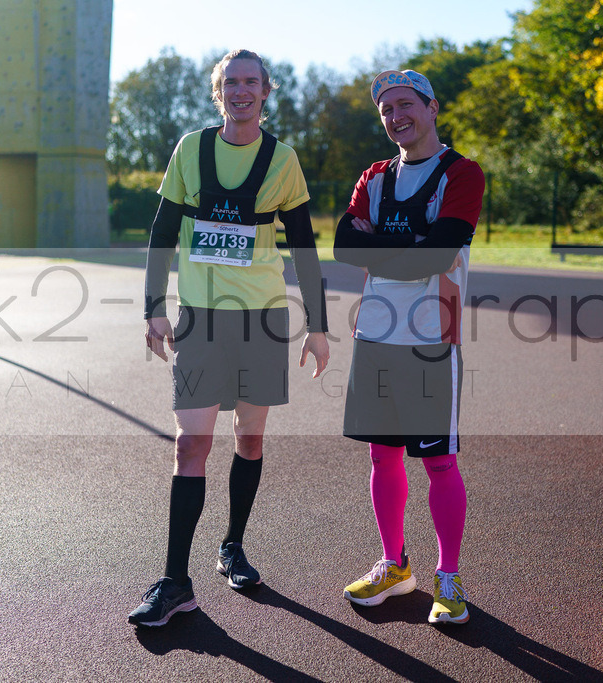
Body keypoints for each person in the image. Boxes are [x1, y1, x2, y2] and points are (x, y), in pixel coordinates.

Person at [128, 48, 330, 628]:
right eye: (230, 82)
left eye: (250, 82)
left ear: (265, 91)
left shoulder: (283, 160)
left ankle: (232, 546)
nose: (240, 90)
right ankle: (175, 582)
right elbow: (163, 230)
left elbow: (304, 246)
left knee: (249, 438)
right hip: (201, 319)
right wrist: (153, 307)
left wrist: (318, 326)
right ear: (218, 92)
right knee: (190, 445)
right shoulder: (190, 150)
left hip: (261, 319)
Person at [332, 69, 484, 625]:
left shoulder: (461, 173)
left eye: (405, 105)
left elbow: (439, 255)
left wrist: (382, 246)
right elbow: (343, 247)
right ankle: (395, 565)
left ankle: (448, 576)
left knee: (439, 462)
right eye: (386, 110)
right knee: (382, 456)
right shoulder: (374, 176)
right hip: (374, 335)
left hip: (429, 339)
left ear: (432, 107)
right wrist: (414, 244)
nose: (396, 116)